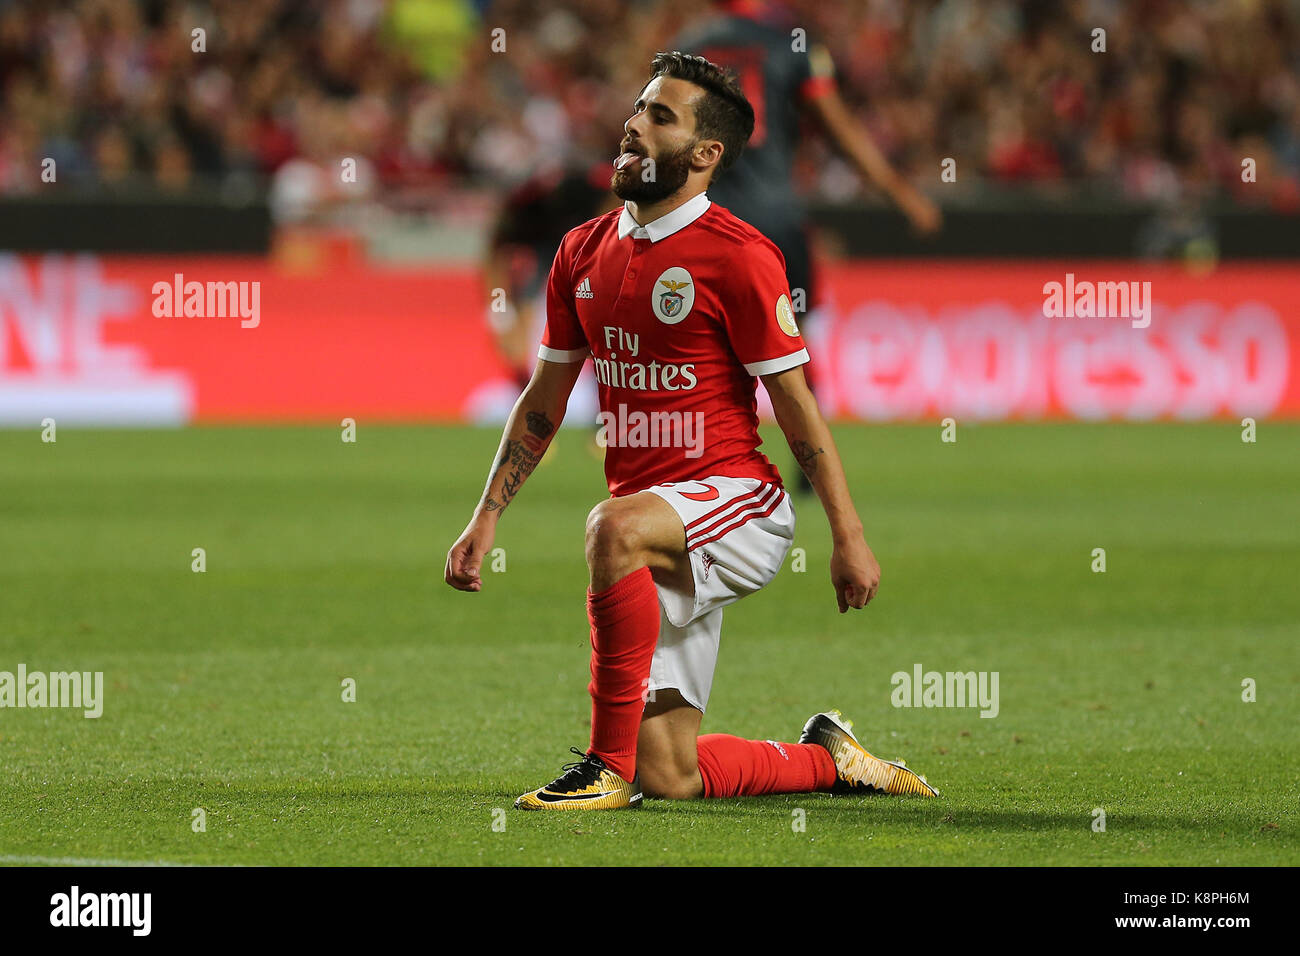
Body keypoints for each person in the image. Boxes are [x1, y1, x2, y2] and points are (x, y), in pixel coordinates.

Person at [445, 52, 936, 809]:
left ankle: (601, 770)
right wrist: (486, 516)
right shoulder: (581, 251)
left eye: (660, 117)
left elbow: (798, 406)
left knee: (611, 527)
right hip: (654, 529)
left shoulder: (740, 257)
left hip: (738, 503)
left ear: (706, 155)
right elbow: (544, 399)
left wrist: (847, 533)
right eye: (639, 109)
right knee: (673, 777)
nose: (634, 125)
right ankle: (829, 759)